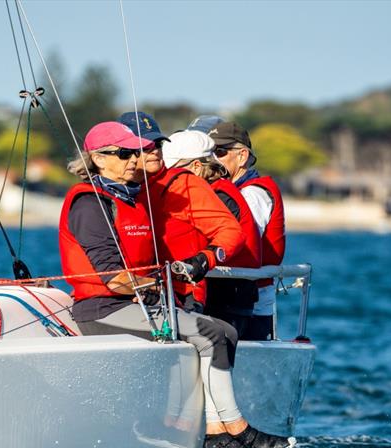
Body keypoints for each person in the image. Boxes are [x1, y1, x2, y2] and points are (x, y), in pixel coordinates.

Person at [60, 121, 292, 448]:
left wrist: (190, 269)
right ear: (98, 159)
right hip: (102, 308)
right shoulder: (90, 203)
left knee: (223, 330)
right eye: (125, 154)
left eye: (137, 152)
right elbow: (113, 278)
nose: (135, 160)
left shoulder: (133, 198)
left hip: (136, 301)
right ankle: (237, 429)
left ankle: (214, 432)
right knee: (212, 333)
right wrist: (162, 286)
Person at [118, 111, 243, 315]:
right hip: (126, 293)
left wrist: (205, 259)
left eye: (158, 144)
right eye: (146, 147)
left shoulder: (185, 183)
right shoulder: (109, 190)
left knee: (219, 335)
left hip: (180, 295)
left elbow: (231, 232)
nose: (156, 151)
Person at [161, 130, 262, 337]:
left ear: (196, 167)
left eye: (173, 169)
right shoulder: (213, 189)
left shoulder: (219, 195)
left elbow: (225, 239)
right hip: (214, 292)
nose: (166, 176)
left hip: (228, 297)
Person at [209, 122, 286, 341]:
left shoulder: (254, 194)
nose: (212, 159)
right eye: (209, 153)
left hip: (251, 301)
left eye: (220, 152)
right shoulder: (230, 191)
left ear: (242, 156)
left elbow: (240, 236)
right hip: (233, 295)